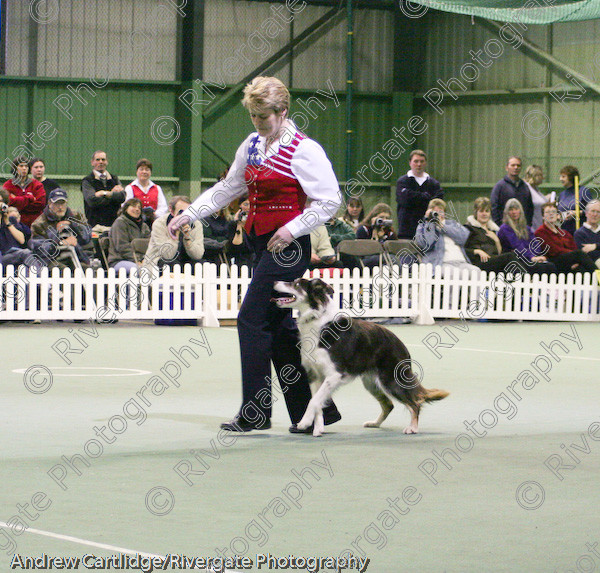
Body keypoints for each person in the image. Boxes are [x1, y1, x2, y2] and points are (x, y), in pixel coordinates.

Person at [168, 75, 342, 433]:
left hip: (290, 247)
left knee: (249, 318)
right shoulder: (250, 145)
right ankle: (311, 413)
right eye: (253, 116)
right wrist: (191, 212)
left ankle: (255, 412)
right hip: (260, 242)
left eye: (263, 117)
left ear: (283, 111)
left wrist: (293, 227)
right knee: (278, 329)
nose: (258, 124)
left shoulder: (305, 150)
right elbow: (229, 187)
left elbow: (330, 200)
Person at [30, 188, 92, 270]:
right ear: (49, 203)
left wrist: (73, 226)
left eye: (62, 203)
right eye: (56, 204)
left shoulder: (76, 216)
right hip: (53, 260)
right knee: (63, 270)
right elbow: (39, 249)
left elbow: (87, 236)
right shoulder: (39, 224)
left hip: (78, 257)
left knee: (86, 270)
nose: (60, 207)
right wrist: (60, 243)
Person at [414, 198, 479, 275]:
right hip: (441, 263)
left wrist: (442, 226)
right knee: (455, 274)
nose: (438, 214)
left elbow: (463, 237)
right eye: (435, 211)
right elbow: (427, 244)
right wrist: (429, 222)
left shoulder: (452, 224)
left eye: (440, 211)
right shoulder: (423, 226)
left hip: (461, 261)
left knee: (477, 272)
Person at [143, 195, 205, 271]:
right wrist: (175, 234)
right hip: (160, 262)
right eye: (181, 212)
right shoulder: (159, 223)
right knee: (171, 265)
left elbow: (197, 255)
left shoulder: (196, 224)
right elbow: (168, 256)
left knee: (201, 265)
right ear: (171, 210)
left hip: (185, 260)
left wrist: (188, 238)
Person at [534, 202, 597, 275]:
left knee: (580, 269)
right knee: (579, 254)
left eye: (553, 212)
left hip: (569, 259)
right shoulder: (540, 232)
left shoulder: (564, 232)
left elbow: (574, 247)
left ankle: (596, 283)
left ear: (557, 215)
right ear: (543, 216)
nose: (551, 214)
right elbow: (553, 250)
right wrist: (573, 256)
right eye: (547, 212)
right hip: (553, 261)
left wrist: (574, 259)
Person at [497, 198, 556, 274]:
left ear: (520, 211)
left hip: (530, 258)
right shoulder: (505, 228)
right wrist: (532, 257)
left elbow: (535, 244)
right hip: (515, 261)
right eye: (511, 209)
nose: (514, 212)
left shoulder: (526, 228)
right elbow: (517, 247)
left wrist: (537, 256)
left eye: (516, 209)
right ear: (507, 212)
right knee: (541, 268)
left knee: (550, 266)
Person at [464, 197, 522, 273]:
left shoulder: (493, 230)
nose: (484, 214)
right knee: (510, 256)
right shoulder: (469, 228)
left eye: (487, 211)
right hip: (480, 262)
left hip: (493, 260)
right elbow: (462, 249)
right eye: (481, 211)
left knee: (516, 260)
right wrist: (476, 251)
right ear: (476, 213)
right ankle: (524, 280)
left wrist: (497, 241)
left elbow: (499, 253)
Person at [395, 149, 443, 239]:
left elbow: (438, 203)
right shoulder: (402, 181)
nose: (419, 164)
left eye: (422, 161)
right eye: (416, 161)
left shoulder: (434, 184)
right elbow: (404, 200)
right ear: (410, 163)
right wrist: (426, 197)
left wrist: (412, 196)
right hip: (406, 231)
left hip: (429, 231)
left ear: (426, 163)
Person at [81, 151, 126, 228]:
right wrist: (113, 195)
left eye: (103, 159)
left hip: (114, 225)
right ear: (92, 162)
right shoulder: (87, 181)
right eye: (97, 160)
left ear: (107, 162)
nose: (101, 162)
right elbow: (92, 201)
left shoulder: (114, 179)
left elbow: (122, 196)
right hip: (95, 226)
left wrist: (104, 193)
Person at [107, 198, 151, 272]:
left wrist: (145, 259)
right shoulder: (120, 223)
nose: (137, 209)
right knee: (140, 270)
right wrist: (137, 260)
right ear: (126, 208)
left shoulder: (144, 226)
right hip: (119, 260)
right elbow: (122, 247)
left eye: (139, 208)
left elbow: (150, 245)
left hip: (142, 260)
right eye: (133, 206)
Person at [2, 156, 46, 227]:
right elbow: (8, 202)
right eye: (21, 166)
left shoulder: (37, 185)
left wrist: (17, 201)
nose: (24, 168)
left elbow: (40, 204)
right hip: (13, 225)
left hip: (34, 224)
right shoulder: (8, 185)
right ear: (15, 168)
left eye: (26, 166)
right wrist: (30, 198)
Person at [491, 156, 534, 227]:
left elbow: (530, 208)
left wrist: (528, 225)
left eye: (518, 165)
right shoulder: (499, 186)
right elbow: (494, 207)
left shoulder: (525, 187)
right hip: (505, 227)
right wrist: (500, 226)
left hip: (522, 228)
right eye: (513, 165)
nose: (516, 167)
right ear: (507, 167)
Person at [356, 203, 397, 268]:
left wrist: (383, 237)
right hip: (367, 259)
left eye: (387, 218)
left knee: (390, 263)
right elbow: (363, 249)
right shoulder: (364, 229)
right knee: (392, 259)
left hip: (385, 258)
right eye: (381, 217)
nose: (384, 220)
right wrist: (374, 230)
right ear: (374, 217)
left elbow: (393, 249)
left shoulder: (389, 232)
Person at [557, 165, 592, 236]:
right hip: (564, 232)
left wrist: (576, 213)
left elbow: (592, 211)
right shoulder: (562, 194)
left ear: (571, 177)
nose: (560, 179)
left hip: (580, 232)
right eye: (560, 176)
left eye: (563, 176)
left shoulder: (583, 191)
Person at [573, 199, 600, 268]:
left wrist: (595, 246)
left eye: (598, 212)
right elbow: (586, 254)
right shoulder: (579, 233)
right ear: (586, 213)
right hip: (590, 267)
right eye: (593, 211)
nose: (595, 214)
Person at [522, 164, 548, 231]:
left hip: (539, 227)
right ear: (534, 176)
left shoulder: (535, 189)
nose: (543, 178)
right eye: (540, 175)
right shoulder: (526, 189)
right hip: (532, 228)